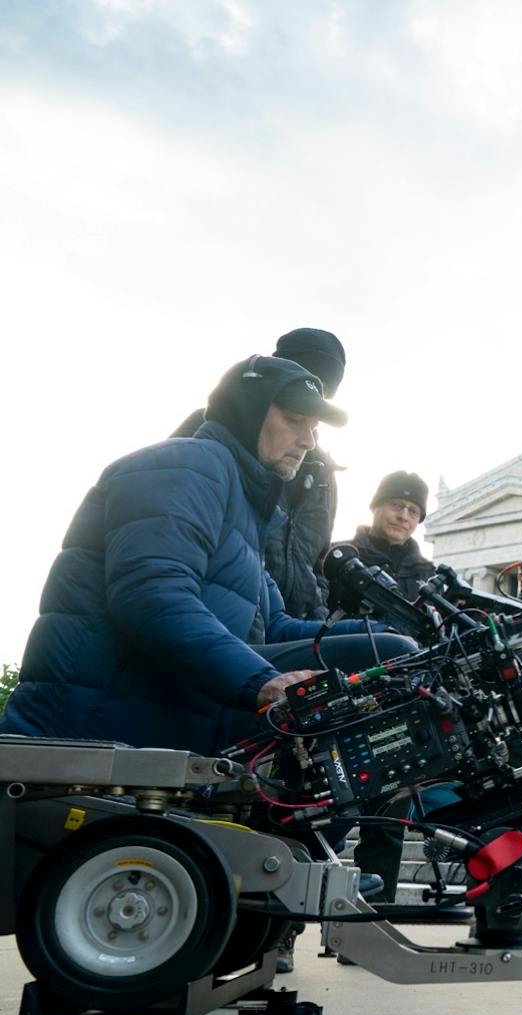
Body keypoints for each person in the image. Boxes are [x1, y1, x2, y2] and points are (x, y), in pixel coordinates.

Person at [2, 355, 411, 756]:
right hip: (93, 720)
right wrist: (263, 683)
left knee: (393, 653)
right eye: (294, 421)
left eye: (314, 429)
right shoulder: (186, 465)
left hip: (178, 708)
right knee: (391, 659)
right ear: (248, 412)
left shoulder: (247, 511)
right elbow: (152, 595)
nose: (308, 441)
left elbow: (273, 628)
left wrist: (391, 627)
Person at [173, 327, 348, 619]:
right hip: (225, 617)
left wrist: (316, 614)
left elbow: (319, 559)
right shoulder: (209, 435)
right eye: (292, 412)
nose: (308, 395)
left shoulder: (323, 470)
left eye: (321, 392)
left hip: (289, 623)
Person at [334, 472, 438, 910]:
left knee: (387, 821)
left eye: (413, 511)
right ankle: (282, 932)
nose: (403, 515)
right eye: (397, 504)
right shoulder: (340, 558)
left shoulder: (429, 576)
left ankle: (371, 923)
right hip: (340, 701)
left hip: (398, 707)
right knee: (324, 813)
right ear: (376, 506)